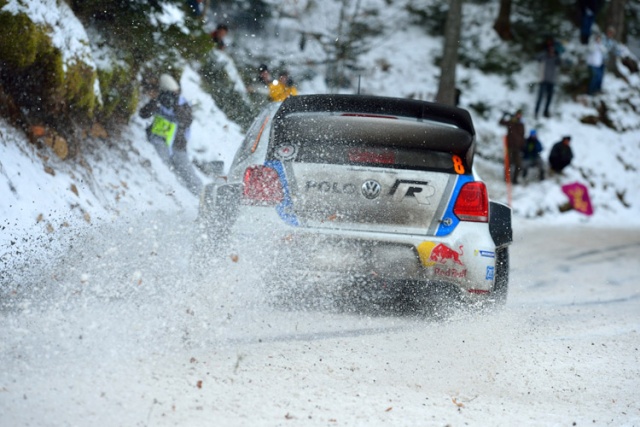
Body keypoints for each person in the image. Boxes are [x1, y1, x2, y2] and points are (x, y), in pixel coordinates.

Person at [139, 73, 202, 196]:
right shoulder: (159, 101)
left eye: (173, 93)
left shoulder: (183, 104)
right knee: (164, 169)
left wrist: (175, 106)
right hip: (159, 140)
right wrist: (156, 103)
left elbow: (187, 120)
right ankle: (170, 194)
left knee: (188, 174)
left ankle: (201, 196)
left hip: (178, 146)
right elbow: (143, 114)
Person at [534, 37, 562, 119]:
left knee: (549, 98)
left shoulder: (556, 58)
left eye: (553, 50)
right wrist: (545, 53)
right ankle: (536, 112)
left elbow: (560, 63)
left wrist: (557, 54)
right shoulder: (544, 56)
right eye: (550, 49)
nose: (551, 51)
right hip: (543, 80)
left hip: (552, 80)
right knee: (540, 97)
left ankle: (545, 112)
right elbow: (537, 58)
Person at [499, 109, 526, 184]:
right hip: (509, 147)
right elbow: (501, 122)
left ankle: (515, 179)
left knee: (518, 164)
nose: (519, 116)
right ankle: (507, 178)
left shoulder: (522, 125)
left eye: (520, 115)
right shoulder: (511, 122)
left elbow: (522, 136)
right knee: (508, 163)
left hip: (517, 148)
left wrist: (522, 145)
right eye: (518, 114)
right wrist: (504, 116)